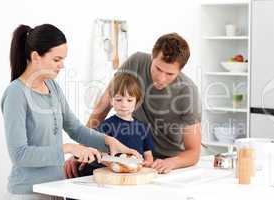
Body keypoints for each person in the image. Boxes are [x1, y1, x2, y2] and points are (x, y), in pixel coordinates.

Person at [1, 24, 141, 199]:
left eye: (63, 59)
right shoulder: (16, 93)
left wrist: (108, 141)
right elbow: (19, 155)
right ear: (36, 56)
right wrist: (68, 148)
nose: (62, 66)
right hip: (29, 192)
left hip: (56, 189)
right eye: (56, 59)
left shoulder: (52, 86)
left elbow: (75, 128)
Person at [65, 32, 201, 175]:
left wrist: (171, 162)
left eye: (169, 74)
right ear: (152, 57)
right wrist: (81, 149)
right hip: (129, 156)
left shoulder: (188, 92)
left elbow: (193, 152)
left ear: (180, 70)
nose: (161, 78)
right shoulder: (136, 62)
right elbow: (102, 108)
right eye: (158, 69)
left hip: (166, 162)